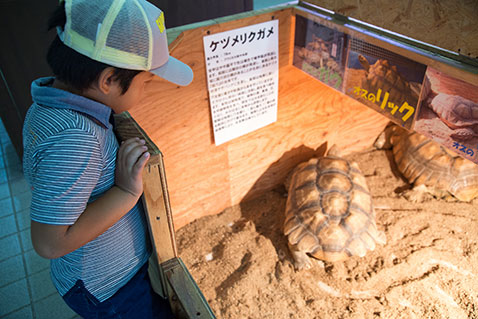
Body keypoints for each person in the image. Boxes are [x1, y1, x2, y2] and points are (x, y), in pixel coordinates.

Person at [22, 0, 193, 317]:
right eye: (146, 81)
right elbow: (49, 243)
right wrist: (126, 192)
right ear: (109, 80)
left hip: (109, 278)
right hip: (107, 287)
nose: (145, 89)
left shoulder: (50, 105)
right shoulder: (76, 137)